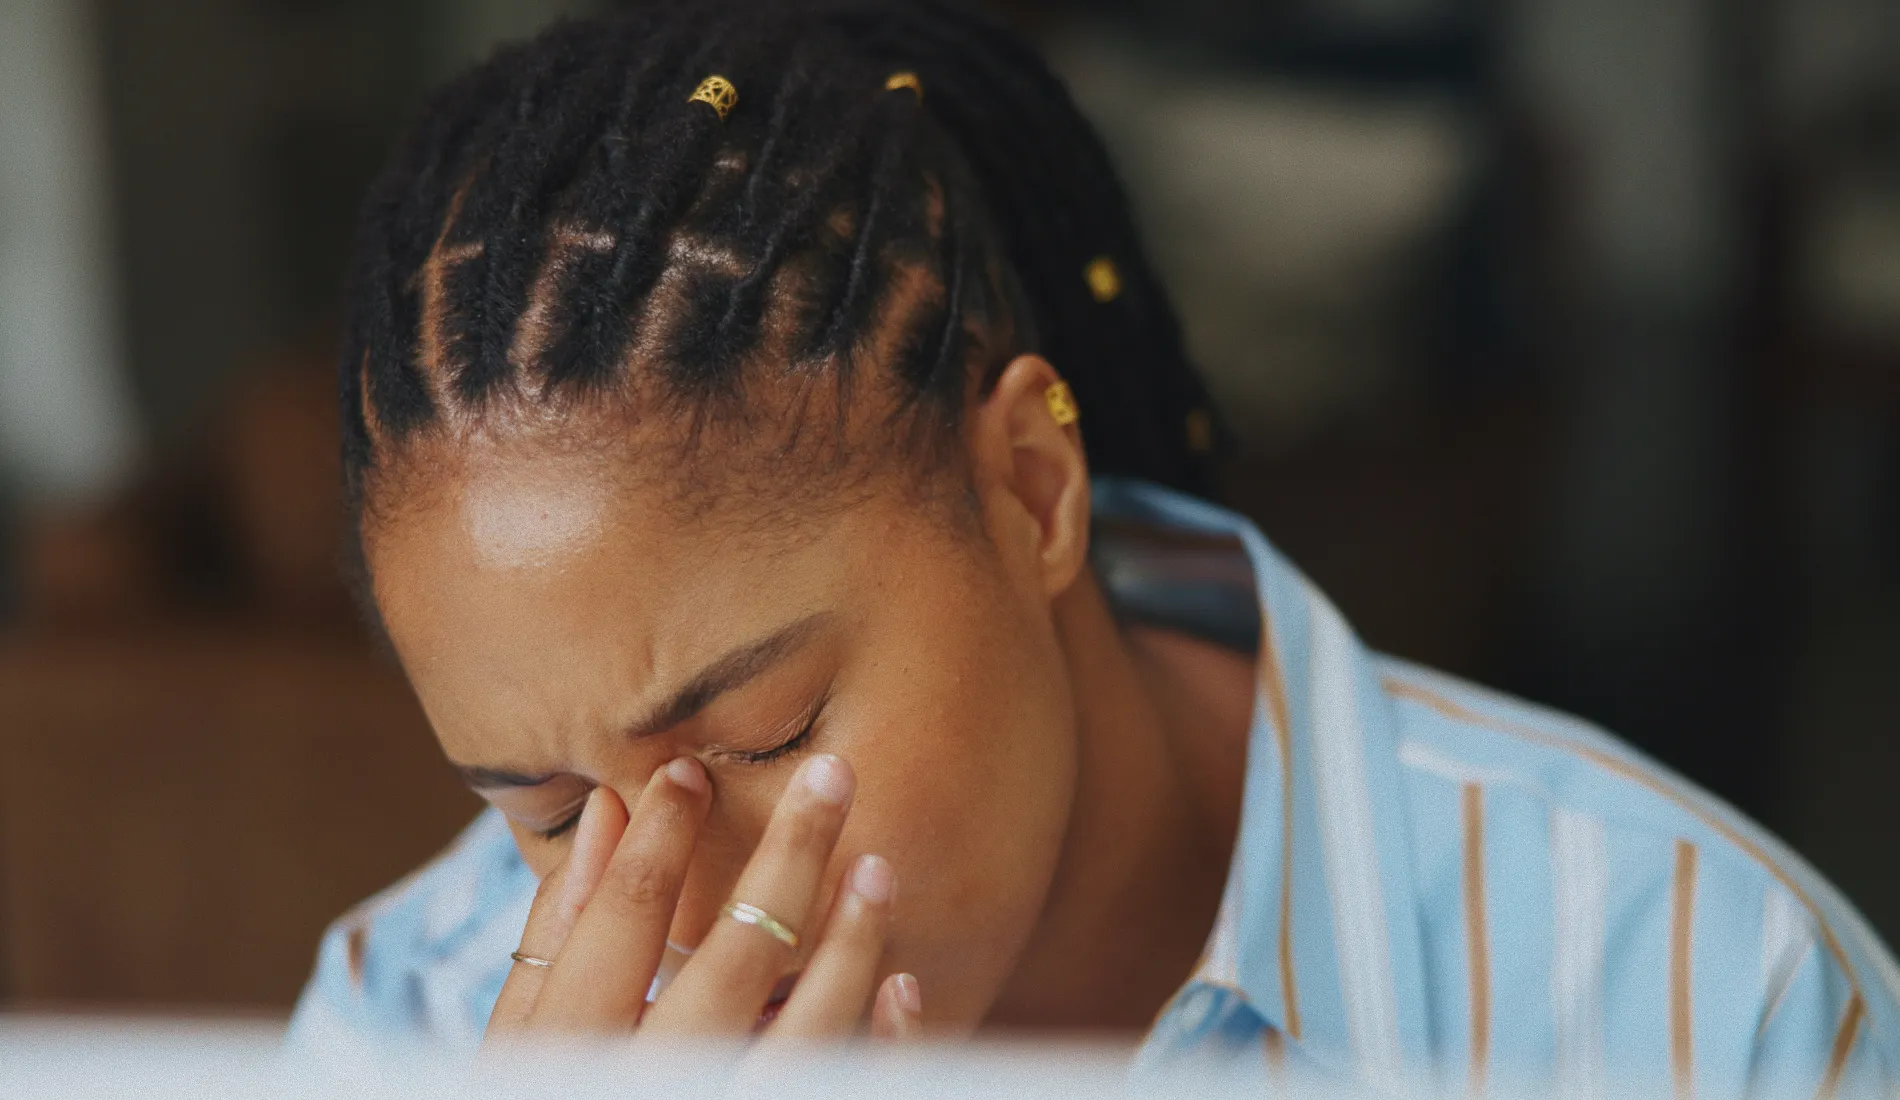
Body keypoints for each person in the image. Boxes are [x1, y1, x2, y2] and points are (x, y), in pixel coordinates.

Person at [288, 1, 1900, 1093]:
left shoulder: (1687, 991)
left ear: (1034, 487)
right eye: (555, 816)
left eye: (767, 736)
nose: (681, 921)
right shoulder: (409, 1021)